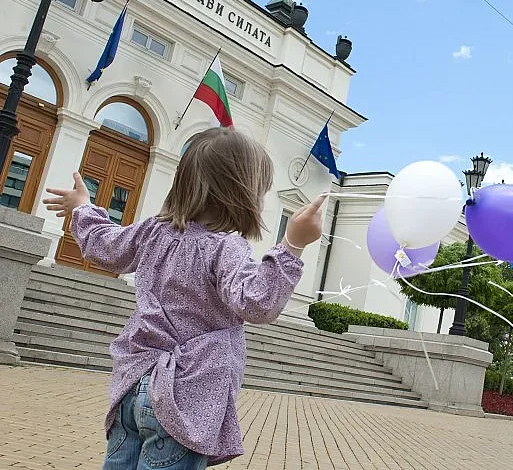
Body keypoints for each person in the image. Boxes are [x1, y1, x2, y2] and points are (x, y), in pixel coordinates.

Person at [43, 128, 327, 469]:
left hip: (134, 383)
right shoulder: (225, 246)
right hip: (185, 393)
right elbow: (257, 303)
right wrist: (292, 245)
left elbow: (105, 247)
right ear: (244, 194)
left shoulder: (154, 230)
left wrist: (82, 209)